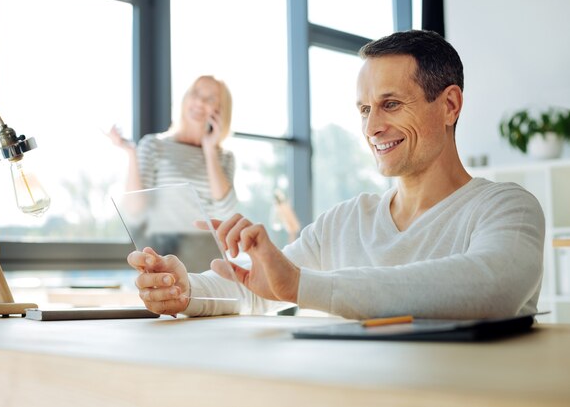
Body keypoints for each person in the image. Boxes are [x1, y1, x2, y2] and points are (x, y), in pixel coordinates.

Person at [127, 30, 545, 320]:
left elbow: (492, 288)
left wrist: (302, 286)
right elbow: (257, 288)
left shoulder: (507, 208)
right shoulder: (345, 222)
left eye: (392, 104)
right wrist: (184, 289)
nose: (372, 127)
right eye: (365, 110)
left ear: (450, 105)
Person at [108, 75, 237, 219]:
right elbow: (134, 209)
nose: (200, 101)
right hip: (161, 241)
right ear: (186, 98)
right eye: (196, 93)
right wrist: (132, 153)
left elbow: (226, 211)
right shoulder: (153, 145)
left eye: (211, 99)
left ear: (221, 110)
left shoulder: (225, 158)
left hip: (208, 241)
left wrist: (210, 150)